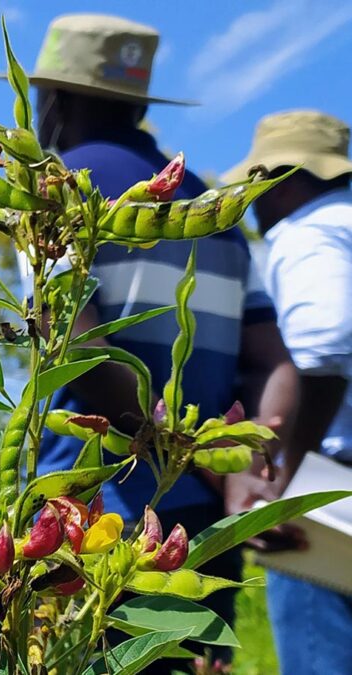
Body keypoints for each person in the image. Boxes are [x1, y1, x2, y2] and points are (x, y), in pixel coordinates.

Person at [0, 13, 298, 668]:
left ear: (58, 98)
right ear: (137, 102)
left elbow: (81, 350)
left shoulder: (56, 190)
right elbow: (273, 361)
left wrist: (172, 447)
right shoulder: (213, 209)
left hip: (89, 512)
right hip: (204, 523)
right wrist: (247, 464)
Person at [223, 109, 352, 674]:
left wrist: (285, 480)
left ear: (282, 179)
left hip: (333, 488)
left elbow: (325, 346)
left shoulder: (309, 233)